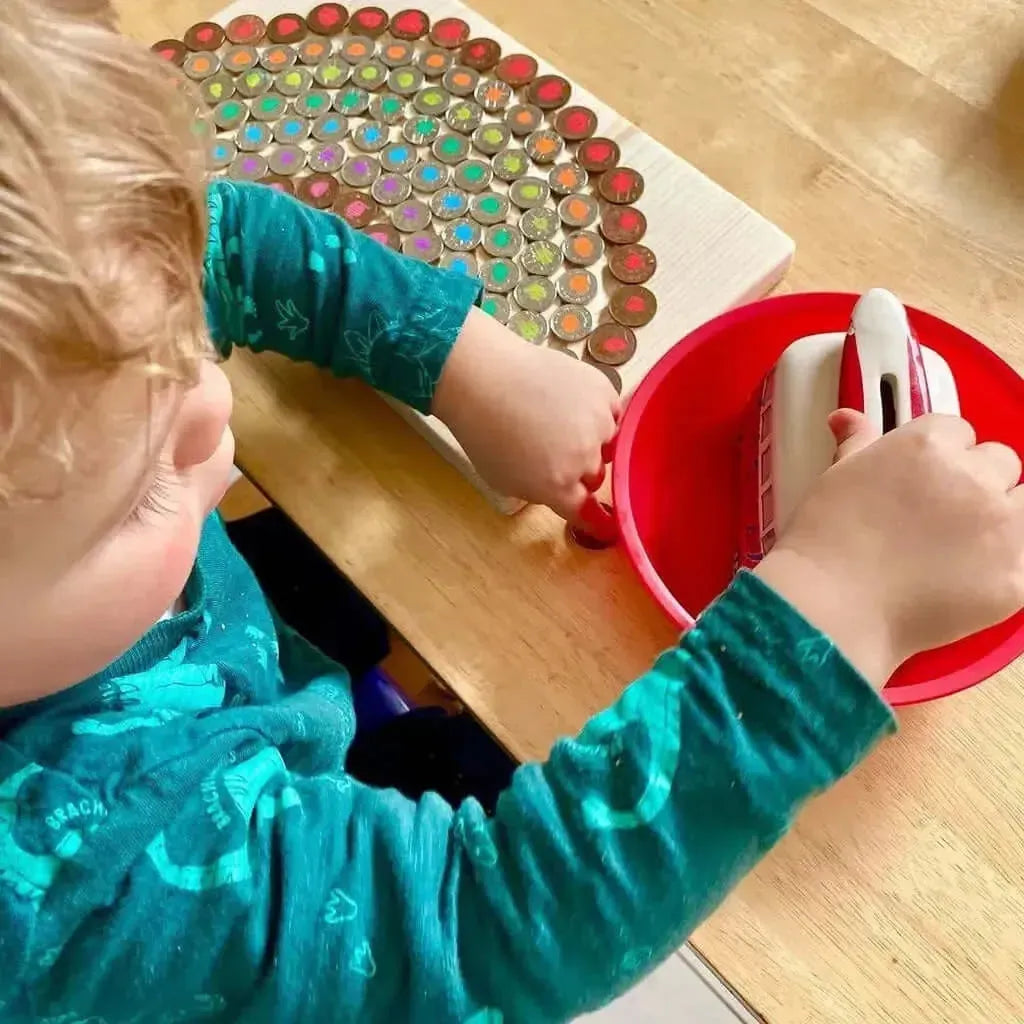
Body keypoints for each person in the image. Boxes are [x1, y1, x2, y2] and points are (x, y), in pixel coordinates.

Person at [0, 2, 1021, 1022]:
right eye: (136, 492)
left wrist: (461, 363)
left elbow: (217, 241)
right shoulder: (74, 898)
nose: (210, 399)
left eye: (184, 342)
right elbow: (482, 934)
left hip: (213, 683)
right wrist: (843, 607)